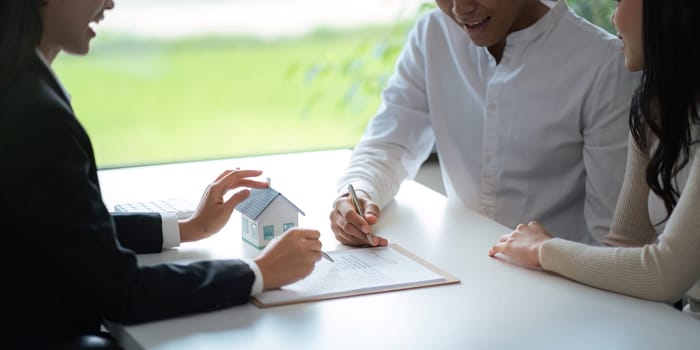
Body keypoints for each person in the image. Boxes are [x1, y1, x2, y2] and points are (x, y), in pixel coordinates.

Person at [0, 0, 324, 348]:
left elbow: (68, 227)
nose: (109, 3)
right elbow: (123, 292)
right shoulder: (37, 115)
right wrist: (258, 272)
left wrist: (187, 227)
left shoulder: (21, 85)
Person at [330, 0, 639, 247]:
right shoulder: (434, 35)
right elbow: (390, 142)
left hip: (567, 289)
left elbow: (614, 238)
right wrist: (358, 194)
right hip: (464, 275)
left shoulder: (604, 64)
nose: (460, 8)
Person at [488, 0, 700, 317]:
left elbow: (664, 274)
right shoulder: (655, 106)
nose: (613, 18)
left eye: (619, 1)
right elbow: (625, 244)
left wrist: (542, 249)